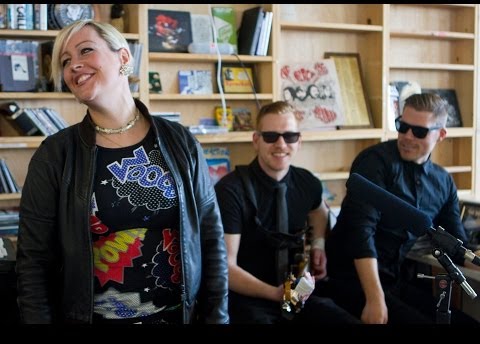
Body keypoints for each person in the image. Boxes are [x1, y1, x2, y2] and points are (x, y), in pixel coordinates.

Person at [16, 19, 229, 324]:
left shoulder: (180, 141)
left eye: (85, 51)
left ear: (123, 58)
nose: (74, 65)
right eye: (65, 61)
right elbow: (33, 264)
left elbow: (211, 239)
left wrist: (218, 318)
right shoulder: (54, 155)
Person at [324, 93, 479, 324]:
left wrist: (475, 260)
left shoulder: (443, 182)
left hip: (394, 281)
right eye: (402, 126)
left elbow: (455, 243)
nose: (407, 136)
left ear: (441, 135)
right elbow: (361, 232)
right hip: (353, 280)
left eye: (418, 131)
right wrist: (375, 299)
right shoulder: (374, 161)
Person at [215, 101, 360, 324]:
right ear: (256, 140)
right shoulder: (230, 190)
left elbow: (319, 212)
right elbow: (226, 268)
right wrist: (275, 293)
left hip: (299, 295)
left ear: (299, 141)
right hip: (250, 298)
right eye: (271, 136)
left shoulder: (308, 182)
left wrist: (319, 244)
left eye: (290, 136)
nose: (281, 144)